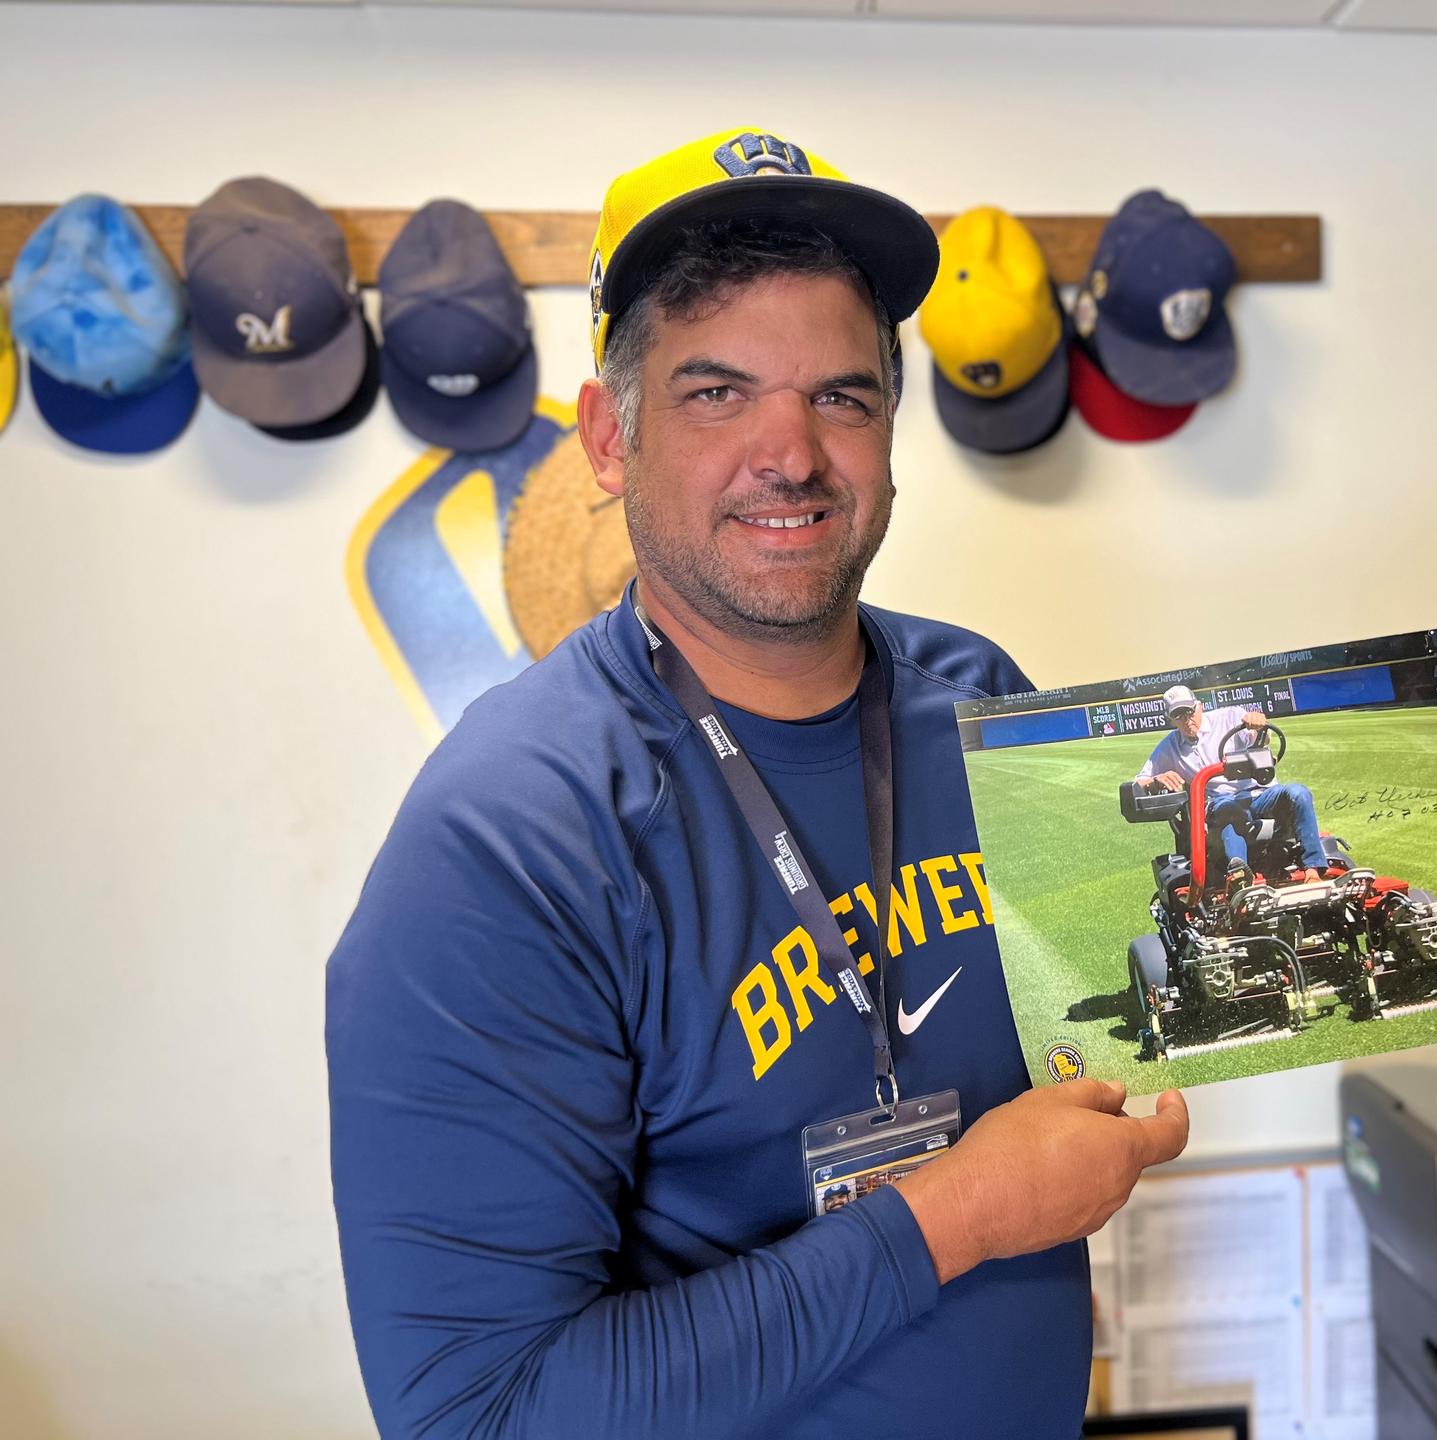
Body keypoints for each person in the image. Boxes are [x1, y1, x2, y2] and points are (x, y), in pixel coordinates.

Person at [326, 129, 1192, 1440]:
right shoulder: (509, 838)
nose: (791, 453)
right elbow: (480, 1414)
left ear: (892, 434)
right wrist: (956, 1215)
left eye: (841, 396)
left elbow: (1129, 979)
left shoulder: (982, 698)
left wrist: (1416, 860)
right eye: (717, 392)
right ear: (611, 439)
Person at [1135, 684, 1330, 882]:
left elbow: (1262, 738)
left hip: (1262, 793)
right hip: (1221, 802)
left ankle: (1313, 870)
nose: (1187, 720)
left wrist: (1258, 724)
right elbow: (1140, 780)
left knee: (1299, 793)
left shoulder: (1229, 717)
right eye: (1178, 715)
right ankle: (1239, 874)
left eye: (1189, 711)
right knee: (1229, 808)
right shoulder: (1170, 746)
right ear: (1171, 719)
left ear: (1199, 706)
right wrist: (1155, 780)